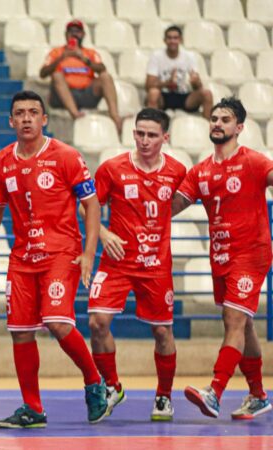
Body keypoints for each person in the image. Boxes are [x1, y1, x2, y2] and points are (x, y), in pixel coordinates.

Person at [0, 90, 108, 429]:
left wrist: (88, 253)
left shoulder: (66, 156)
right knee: (20, 332)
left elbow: (92, 204)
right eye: (19, 113)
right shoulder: (1, 161)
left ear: (44, 119)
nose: (26, 118)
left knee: (57, 323)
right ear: (11, 121)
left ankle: (94, 380)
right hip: (22, 257)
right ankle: (33, 408)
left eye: (32, 112)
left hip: (61, 253)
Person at [172, 97, 272, 420]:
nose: (217, 123)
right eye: (214, 118)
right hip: (220, 256)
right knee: (244, 324)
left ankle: (214, 391)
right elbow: (171, 206)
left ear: (239, 127)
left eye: (225, 119)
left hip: (251, 253)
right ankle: (258, 395)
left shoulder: (253, 162)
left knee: (234, 319)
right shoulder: (201, 171)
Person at [86, 108, 186, 421]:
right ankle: (112, 386)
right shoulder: (112, 168)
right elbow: (87, 206)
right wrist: (103, 234)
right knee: (97, 322)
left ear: (165, 137)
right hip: (116, 262)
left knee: (162, 331)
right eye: (139, 133)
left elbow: (187, 199)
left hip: (156, 265)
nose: (144, 140)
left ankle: (163, 397)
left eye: (152, 135)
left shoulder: (178, 171)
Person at [39, 19, 122, 131]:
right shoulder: (57, 52)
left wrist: (84, 59)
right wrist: (62, 57)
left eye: (77, 31)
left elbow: (102, 68)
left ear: (83, 34)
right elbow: (43, 73)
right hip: (62, 96)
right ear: (66, 35)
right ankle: (75, 114)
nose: (74, 34)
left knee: (105, 77)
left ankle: (115, 116)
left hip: (86, 94)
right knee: (57, 75)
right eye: (71, 31)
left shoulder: (89, 53)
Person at [146, 25, 213, 120]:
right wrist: (167, 83)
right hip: (163, 97)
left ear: (181, 40)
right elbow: (148, 86)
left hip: (184, 96)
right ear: (164, 40)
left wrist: (195, 82)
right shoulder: (156, 56)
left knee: (207, 94)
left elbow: (198, 87)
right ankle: (151, 126)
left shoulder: (189, 56)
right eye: (169, 38)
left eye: (175, 38)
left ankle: (209, 127)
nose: (172, 41)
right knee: (153, 93)